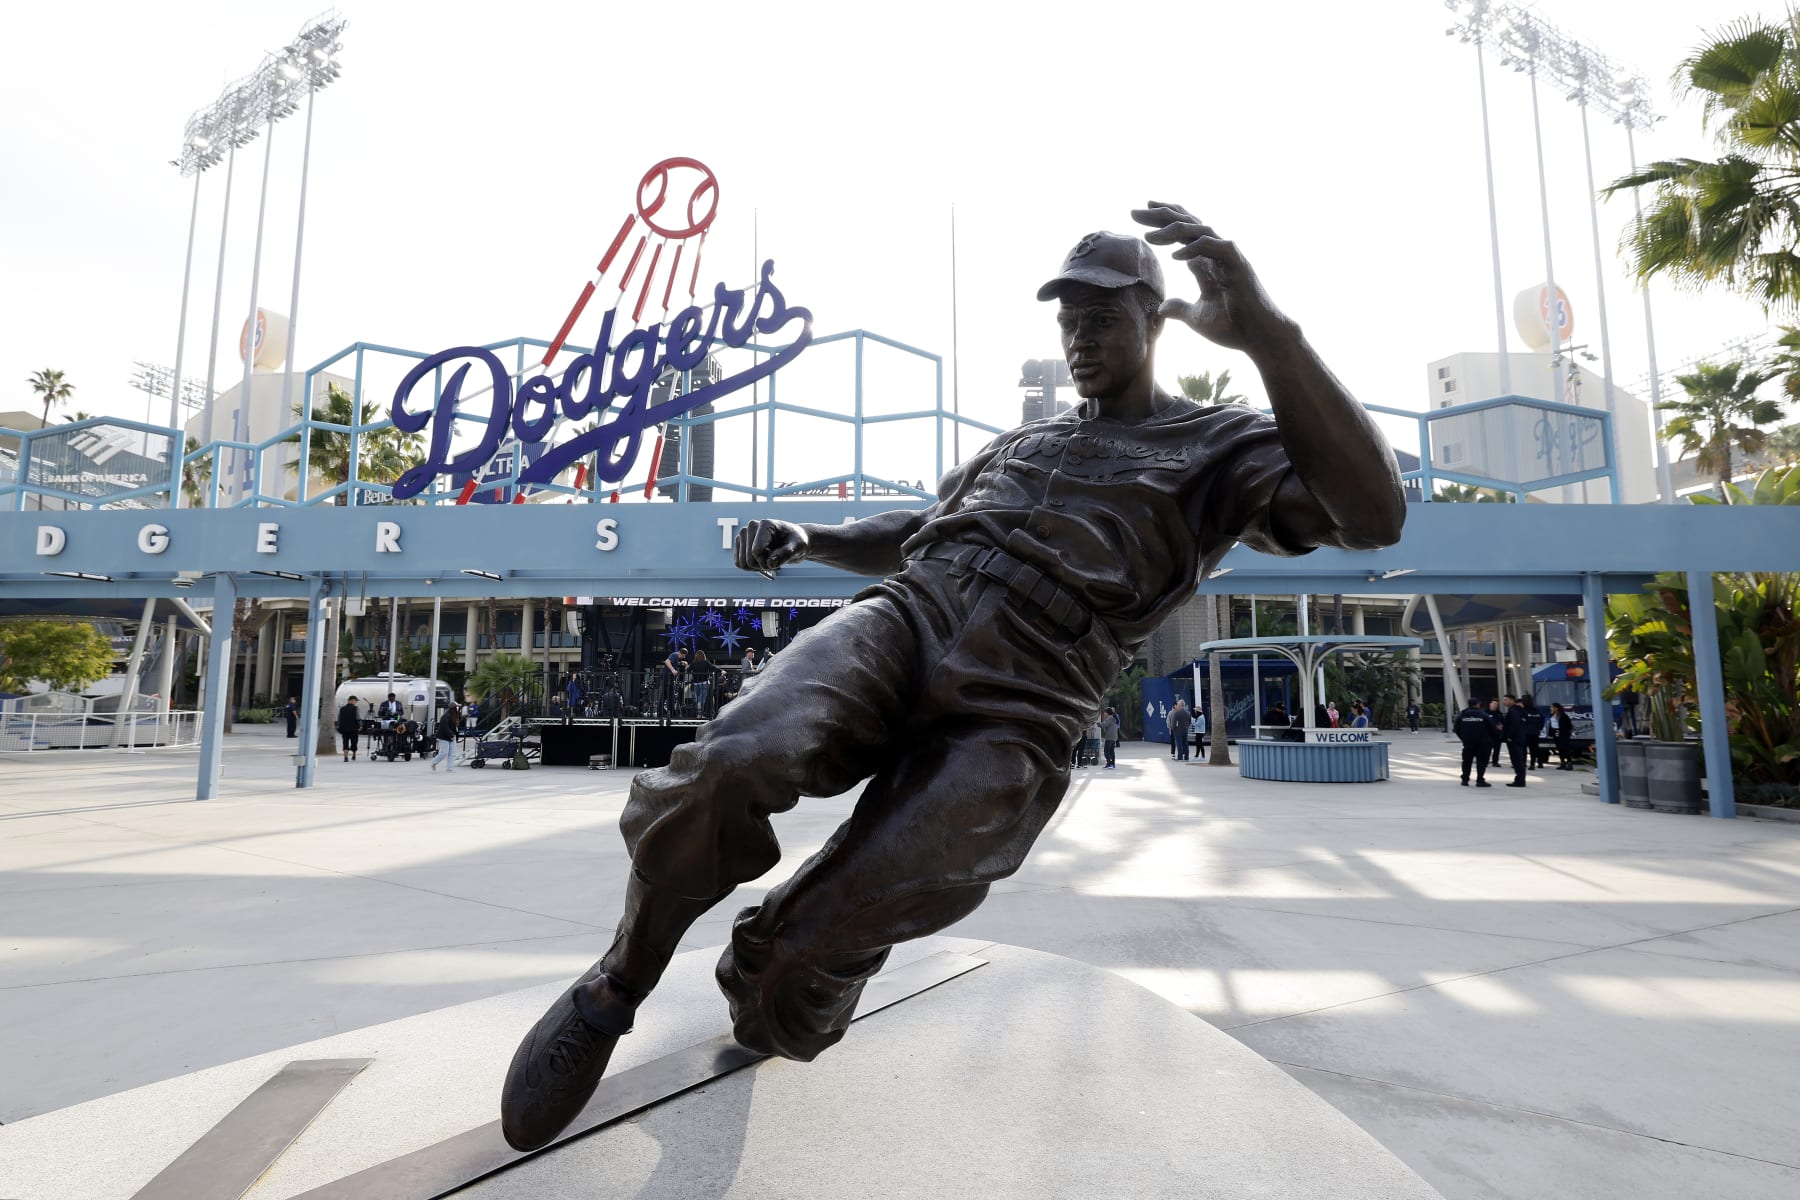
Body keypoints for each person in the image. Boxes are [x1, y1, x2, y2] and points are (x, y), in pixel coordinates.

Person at [500, 208, 1406, 1151]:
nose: (1080, 338)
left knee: (801, 964)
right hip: (914, 613)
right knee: (730, 760)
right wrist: (813, 540)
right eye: (1069, 321)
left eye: (1102, 318)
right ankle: (617, 984)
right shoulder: (1024, 445)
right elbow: (918, 530)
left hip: (1030, 693)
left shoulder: (1218, 446)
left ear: (1155, 320)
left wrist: (1270, 336)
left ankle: (785, 960)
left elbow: (1374, 514)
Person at [1454, 699, 1493, 787]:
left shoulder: (1462, 715)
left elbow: (1456, 728)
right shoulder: (1484, 715)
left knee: (1467, 761)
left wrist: (1463, 738)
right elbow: (1492, 728)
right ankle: (1480, 779)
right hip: (1482, 742)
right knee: (1481, 762)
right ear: (1478, 704)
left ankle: (1465, 779)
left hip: (1468, 742)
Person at [1501, 694, 1529, 787]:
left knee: (1517, 760)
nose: (1504, 701)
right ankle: (1520, 779)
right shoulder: (1520, 710)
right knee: (1519, 760)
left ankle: (1520, 780)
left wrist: (1509, 736)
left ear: (1512, 700)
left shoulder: (1514, 711)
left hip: (1514, 739)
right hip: (1520, 738)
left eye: (1506, 699)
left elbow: (1515, 724)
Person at [432, 702, 462, 772]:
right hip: (444, 737)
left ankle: (450, 768)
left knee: (452, 753)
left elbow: (454, 727)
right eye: (457, 707)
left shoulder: (454, 716)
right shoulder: (445, 716)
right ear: (453, 708)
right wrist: (451, 735)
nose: (458, 709)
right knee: (444, 753)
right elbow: (445, 727)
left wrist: (454, 735)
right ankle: (434, 762)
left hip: (452, 736)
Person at [1523, 692, 1547, 769]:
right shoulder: (1537, 711)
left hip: (1525, 733)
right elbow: (1542, 721)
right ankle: (1535, 763)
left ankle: (1524, 763)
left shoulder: (1523, 711)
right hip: (1535, 733)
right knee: (1534, 749)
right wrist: (1538, 729)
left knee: (1523, 749)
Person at [1549, 702, 1576, 769]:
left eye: (1552, 707)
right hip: (1555, 733)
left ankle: (1569, 763)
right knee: (1559, 749)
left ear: (1556, 708)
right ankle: (1562, 762)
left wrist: (1565, 732)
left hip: (1563, 734)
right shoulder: (1552, 715)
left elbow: (1569, 725)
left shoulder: (1563, 716)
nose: (1551, 708)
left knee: (1565, 748)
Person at [335, 695, 361, 762]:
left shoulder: (342, 708)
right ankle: (354, 755)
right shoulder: (356, 708)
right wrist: (360, 726)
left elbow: (339, 718)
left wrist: (338, 727)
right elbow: (358, 718)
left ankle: (345, 757)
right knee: (354, 742)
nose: (355, 702)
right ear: (351, 700)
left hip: (344, 729)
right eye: (355, 701)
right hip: (354, 729)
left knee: (345, 742)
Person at [1486, 698, 1505, 768]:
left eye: (1496, 704)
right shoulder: (1486, 713)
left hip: (1497, 735)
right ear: (1490, 704)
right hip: (1488, 735)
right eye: (1494, 704)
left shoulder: (1499, 714)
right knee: (1487, 750)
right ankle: (1485, 761)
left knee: (1497, 750)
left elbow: (1503, 722)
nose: (1495, 705)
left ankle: (1495, 762)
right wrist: (1495, 726)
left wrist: (1502, 726)